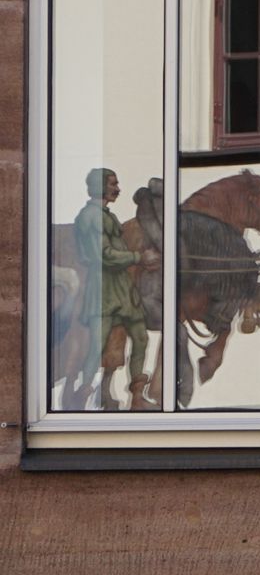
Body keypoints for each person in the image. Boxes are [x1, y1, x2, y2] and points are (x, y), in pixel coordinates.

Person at [74, 167, 158, 409]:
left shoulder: (106, 215)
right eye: (113, 184)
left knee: (141, 338)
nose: (118, 189)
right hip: (103, 288)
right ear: (99, 185)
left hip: (122, 287)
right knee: (97, 346)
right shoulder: (90, 217)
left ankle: (137, 396)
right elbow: (103, 255)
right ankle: (82, 397)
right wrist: (139, 258)